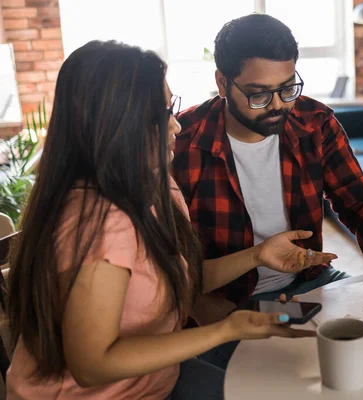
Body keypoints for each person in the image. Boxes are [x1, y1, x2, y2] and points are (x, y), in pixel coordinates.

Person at [5, 40, 316, 400]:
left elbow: (179, 281)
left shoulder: (154, 185)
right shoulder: (101, 222)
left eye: (172, 107)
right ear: (117, 124)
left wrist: (258, 255)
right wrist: (224, 330)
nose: (176, 126)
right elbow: (91, 365)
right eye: (162, 113)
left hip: (154, 378)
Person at [173, 14, 363, 309]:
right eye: (259, 94)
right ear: (223, 83)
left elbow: (358, 201)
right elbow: (165, 256)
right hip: (223, 300)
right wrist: (200, 307)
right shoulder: (180, 141)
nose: (278, 105)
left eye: (288, 88)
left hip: (311, 283)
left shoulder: (315, 123)